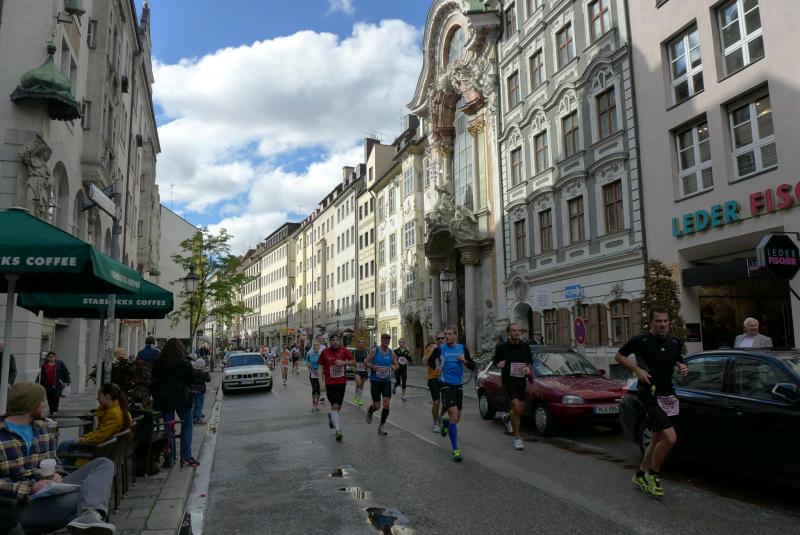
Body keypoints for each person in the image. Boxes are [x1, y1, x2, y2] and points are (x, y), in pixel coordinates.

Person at [0, 383, 116, 534]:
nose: (44, 405)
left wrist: (57, 474)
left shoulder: (40, 428)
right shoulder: (2, 435)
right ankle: (88, 515)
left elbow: (55, 461)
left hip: (49, 490)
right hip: (20, 505)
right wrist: (31, 488)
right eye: (41, 401)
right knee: (89, 496)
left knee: (103, 464)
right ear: (31, 405)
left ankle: (89, 517)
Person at [614, 306, 688, 497]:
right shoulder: (641, 341)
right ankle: (653, 476)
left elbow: (678, 361)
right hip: (648, 394)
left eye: (665, 321)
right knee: (670, 438)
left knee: (656, 439)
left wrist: (682, 367)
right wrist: (637, 370)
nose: (662, 324)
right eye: (658, 321)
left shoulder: (675, 341)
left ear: (669, 322)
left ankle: (640, 474)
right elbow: (619, 356)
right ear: (651, 322)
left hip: (668, 395)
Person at [151, 338, 198, 468]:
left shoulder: (159, 363)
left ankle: (169, 458)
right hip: (181, 398)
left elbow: (154, 378)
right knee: (187, 425)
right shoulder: (184, 363)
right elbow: (191, 379)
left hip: (164, 399)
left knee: (169, 427)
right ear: (180, 349)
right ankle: (186, 456)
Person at [432, 326, 475, 462]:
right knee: (454, 415)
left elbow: (472, 366)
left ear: (456, 336)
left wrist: (465, 361)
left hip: (458, 385)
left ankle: (446, 424)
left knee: (456, 419)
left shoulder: (462, 349)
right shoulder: (440, 349)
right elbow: (430, 361)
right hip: (445, 384)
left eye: (450, 334)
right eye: (445, 334)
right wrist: (436, 367)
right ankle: (456, 450)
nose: (446, 336)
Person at [58, 382, 132, 461]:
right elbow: (101, 432)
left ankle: (61, 467)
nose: (97, 399)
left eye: (99, 396)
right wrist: (84, 437)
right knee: (66, 446)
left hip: (98, 452)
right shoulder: (119, 409)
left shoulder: (114, 413)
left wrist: (82, 440)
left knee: (64, 446)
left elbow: (100, 436)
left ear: (107, 397)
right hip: (105, 450)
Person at [493, 323, 532, 450]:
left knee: (519, 411)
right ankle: (517, 438)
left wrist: (528, 368)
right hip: (509, 381)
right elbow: (495, 360)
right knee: (516, 407)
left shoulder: (525, 346)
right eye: (514, 330)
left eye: (518, 330)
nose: (516, 332)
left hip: (521, 380)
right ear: (509, 333)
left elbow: (530, 361)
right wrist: (498, 364)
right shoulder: (502, 347)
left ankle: (506, 418)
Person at [318, 333, 353, 441]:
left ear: (339, 341)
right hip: (330, 383)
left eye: (337, 340)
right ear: (330, 341)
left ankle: (332, 417)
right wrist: (321, 383)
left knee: (338, 407)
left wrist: (343, 362)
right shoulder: (325, 352)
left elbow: (353, 362)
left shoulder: (344, 351)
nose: (335, 342)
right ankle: (338, 430)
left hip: (341, 383)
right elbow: (320, 368)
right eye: (333, 340)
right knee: (334, 405)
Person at [365, 334, 399, 436]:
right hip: (375, 381)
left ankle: (381, 426)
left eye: (388, 340)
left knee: (386, 404)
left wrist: (394, 367)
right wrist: (372, 367)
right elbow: (366, 361)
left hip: (386, 381)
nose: (386, 341)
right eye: (384, 339)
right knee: (377, 406)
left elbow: (397, 365)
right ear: (381, 340)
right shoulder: (375, 351)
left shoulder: (391, 353)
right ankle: (371, 410)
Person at [36, 351, 70, 416]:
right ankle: (51, 410)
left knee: (55, 397)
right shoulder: (44, 365)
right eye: (49, 357)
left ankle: (55, 410)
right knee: (49, 398)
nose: (51, 358)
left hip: (57, 384)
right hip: (47, 384)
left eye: (52, 357)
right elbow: (40, 375)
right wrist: (38, 382)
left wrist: (67, 381)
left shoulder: (59, 363)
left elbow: (65, 372)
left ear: (55, 357)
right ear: (47, 358)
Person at [425, 332, 445, 433]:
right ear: (435, 340)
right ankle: (435, 423)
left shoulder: (447, 348)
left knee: (447, 403)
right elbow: (423, 361)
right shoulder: (430, 348)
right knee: (436, 402)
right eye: (438, 339)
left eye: (442, 338)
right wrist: (431, 351)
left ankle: (440, 416)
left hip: (446, 378)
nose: (440, 340)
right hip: (433, 378)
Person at [190, 354, 211, 425]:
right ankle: (198, 419)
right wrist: (207, 372)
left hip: (193, 390)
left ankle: (193, 418)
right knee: (199, 405)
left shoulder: (192, 370)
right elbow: (208, 379)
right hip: (200, 390)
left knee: (194, 405)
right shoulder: (202, 372)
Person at [305, 342, 322, 411]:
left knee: (318, 389)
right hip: (312, 373)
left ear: (319, 348)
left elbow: (324, 363)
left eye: (317, 347)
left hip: (319, 373)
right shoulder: (310, 354)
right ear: (313, 348)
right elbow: (307, 360)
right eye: (315, 347)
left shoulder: (321, 355)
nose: (316, 348)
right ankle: (313, 403)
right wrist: (308, 365)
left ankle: (317, 403)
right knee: (314, 388)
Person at [352, 338, 369, 407]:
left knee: (361, 385)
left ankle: (360, 398)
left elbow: (369, 360)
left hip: (364, 370)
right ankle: (356, 397)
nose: (361, 343)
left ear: (364, 344)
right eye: (359, 342)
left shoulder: (367, 351)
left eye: (362, 342)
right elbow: (352, 360)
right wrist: (354, 363)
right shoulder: (354, 352)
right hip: (357, 370)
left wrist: (367, 364)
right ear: (357, 344)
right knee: (358, 383)